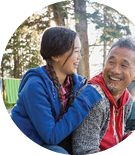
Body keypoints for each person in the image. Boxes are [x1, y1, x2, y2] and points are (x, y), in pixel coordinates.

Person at [10, 27, 102, 155]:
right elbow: (51, 136)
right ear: (55, 55)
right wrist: (85, 101)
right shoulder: (35, 86)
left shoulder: (76, 83)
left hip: (50, 139)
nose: (80, 57)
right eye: (75, 51)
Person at [72, 37, 135, 155]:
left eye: (124, 65)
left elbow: (111, 138)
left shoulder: (127, 100)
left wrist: (126, 137)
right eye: (111, 62)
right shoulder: (93, 98)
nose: (115, 70)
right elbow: (84, 151)